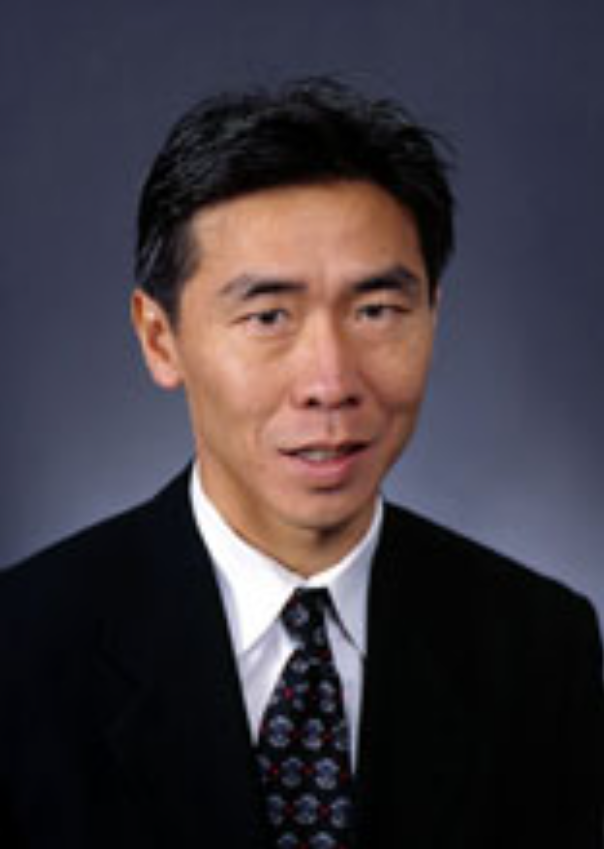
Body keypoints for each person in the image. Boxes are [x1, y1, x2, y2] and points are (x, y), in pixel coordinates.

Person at [0, 77, 602, 849]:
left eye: (376, 310)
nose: (331, 383)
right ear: (161, 338)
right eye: (268, 316)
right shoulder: (22, 651)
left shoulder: (540, 646)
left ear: (433, 315)